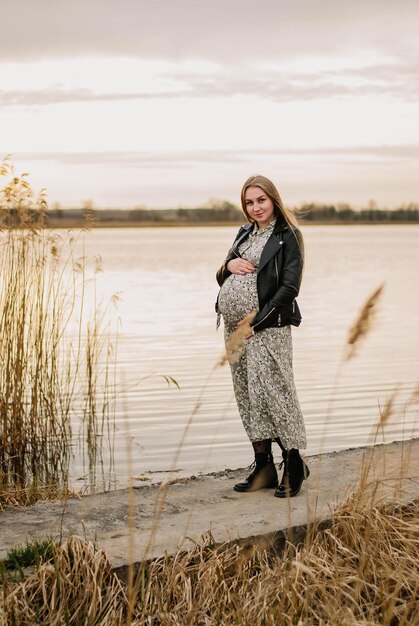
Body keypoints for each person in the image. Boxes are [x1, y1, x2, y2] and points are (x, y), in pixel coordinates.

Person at [215, 174, 309, 498]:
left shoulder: (288, 236)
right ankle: (264, 466)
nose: (255, 208)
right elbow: (220, 275)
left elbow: (290, 288)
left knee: (275, 396)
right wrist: (230, 263)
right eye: (249, 202)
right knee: (248, 397)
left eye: (261, 200)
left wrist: (257, 322)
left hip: (267, 329)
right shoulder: (244, 233)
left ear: (273, 199)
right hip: (235, 330)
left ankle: (294, 464)